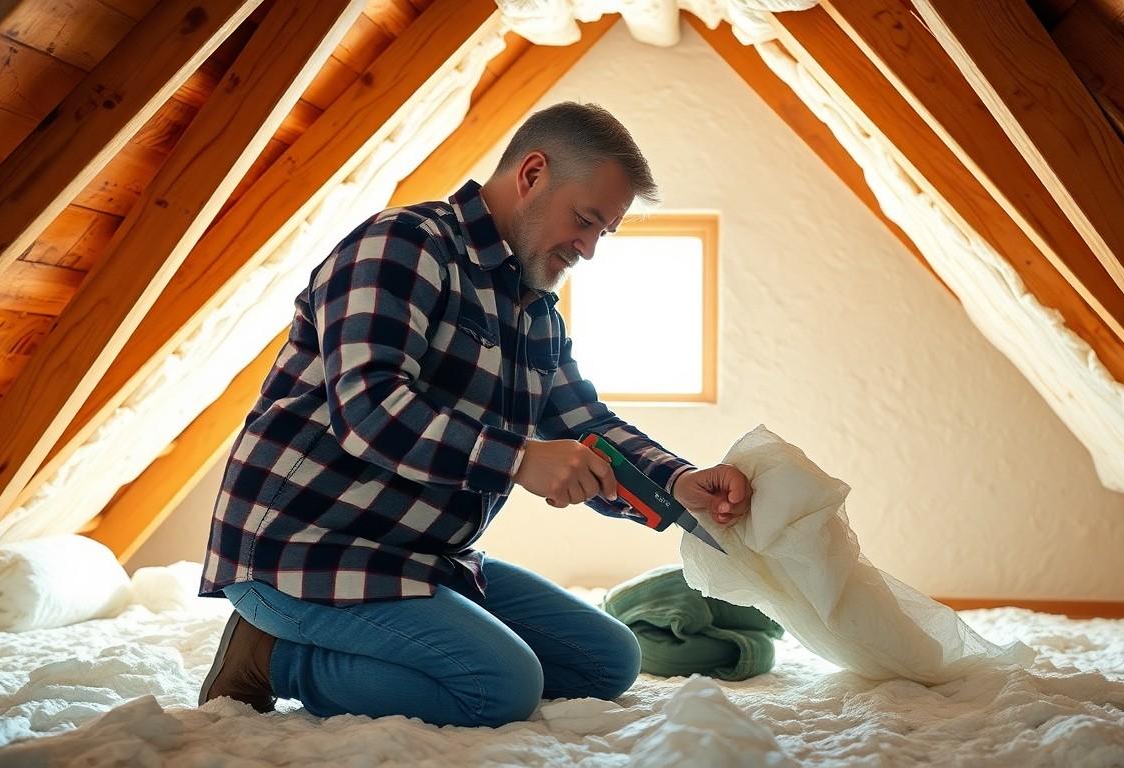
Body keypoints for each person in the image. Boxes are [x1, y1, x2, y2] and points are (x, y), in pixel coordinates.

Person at [197, 101, 751, 726]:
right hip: (301, 548)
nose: (591, 250)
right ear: (532, 173)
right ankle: (269, 657)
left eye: (605, 233)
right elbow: (369, 408)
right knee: (500, 687)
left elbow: (585, 426)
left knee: (608, 662)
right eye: (585, 220)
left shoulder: (536, 311)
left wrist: (678, 482)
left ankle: (348, 644)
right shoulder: (403, 245)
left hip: (421, 556)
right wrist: (518, 460)